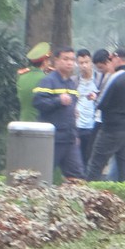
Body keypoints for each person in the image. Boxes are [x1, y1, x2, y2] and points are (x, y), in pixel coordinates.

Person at [90, 49, 125, 182]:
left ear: (117, 58)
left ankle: (87, 195)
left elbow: (100, 103)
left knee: (96, 165)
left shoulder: (115, 77)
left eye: (111, 59)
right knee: (124, 168)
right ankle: (124, 196)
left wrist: (95, 98)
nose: (110, 62)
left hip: (111, 129)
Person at [33, 48, 87, 180]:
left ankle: (72, 200)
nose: (70, 63)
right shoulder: (48, 81)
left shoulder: (72, 84)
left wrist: (75, 134)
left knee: (77, 176)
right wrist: (58, 101)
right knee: (42, 176)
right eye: (65, 59)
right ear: (56, 61)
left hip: (69, 139)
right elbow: (38, 102)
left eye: (72, 60)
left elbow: (71, 111)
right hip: (52, 139)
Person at [16, 42, 52, 122]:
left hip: (23, 121)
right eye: (48, 60)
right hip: (40, 124)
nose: (49, 63)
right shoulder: (46, 79)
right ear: (45, 61)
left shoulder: (21, 76)